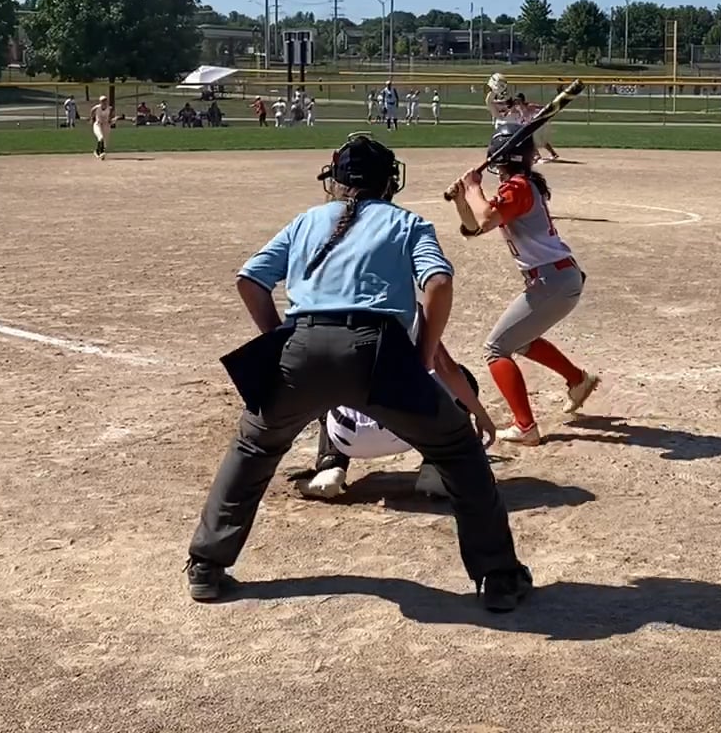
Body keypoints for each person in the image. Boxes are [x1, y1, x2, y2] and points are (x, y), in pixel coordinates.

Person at [186, 132, 532, 611]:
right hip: (378, 352)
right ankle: (498, 578)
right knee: (457, 450)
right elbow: (438, 283)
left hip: (302, 346)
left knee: (255, 447)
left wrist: (278, 340)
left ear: (336, 178)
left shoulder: (307, 220)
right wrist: (423, 355)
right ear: (390, 182)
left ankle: (206, 565)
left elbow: (250, 280)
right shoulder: (407, 222)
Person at [445, 124, 600, 445]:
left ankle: (525, 427)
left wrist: (474, 189)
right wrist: (463, 198)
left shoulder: (518, 187)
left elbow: (485, 218)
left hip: (552, 279)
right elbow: (473, 228)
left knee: (496, 348)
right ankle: (577, 380)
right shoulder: (517, 187)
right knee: (519, 339)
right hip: (554, 279)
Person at [302, 303, 496, 500]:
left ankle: (330, 464)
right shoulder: (411, 308)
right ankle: (436, 468)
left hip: (346, 437)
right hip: (405, 431)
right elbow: (448, 370)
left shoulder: (331, 308)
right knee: (462, 379)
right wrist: (480, 414)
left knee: (327, 381)